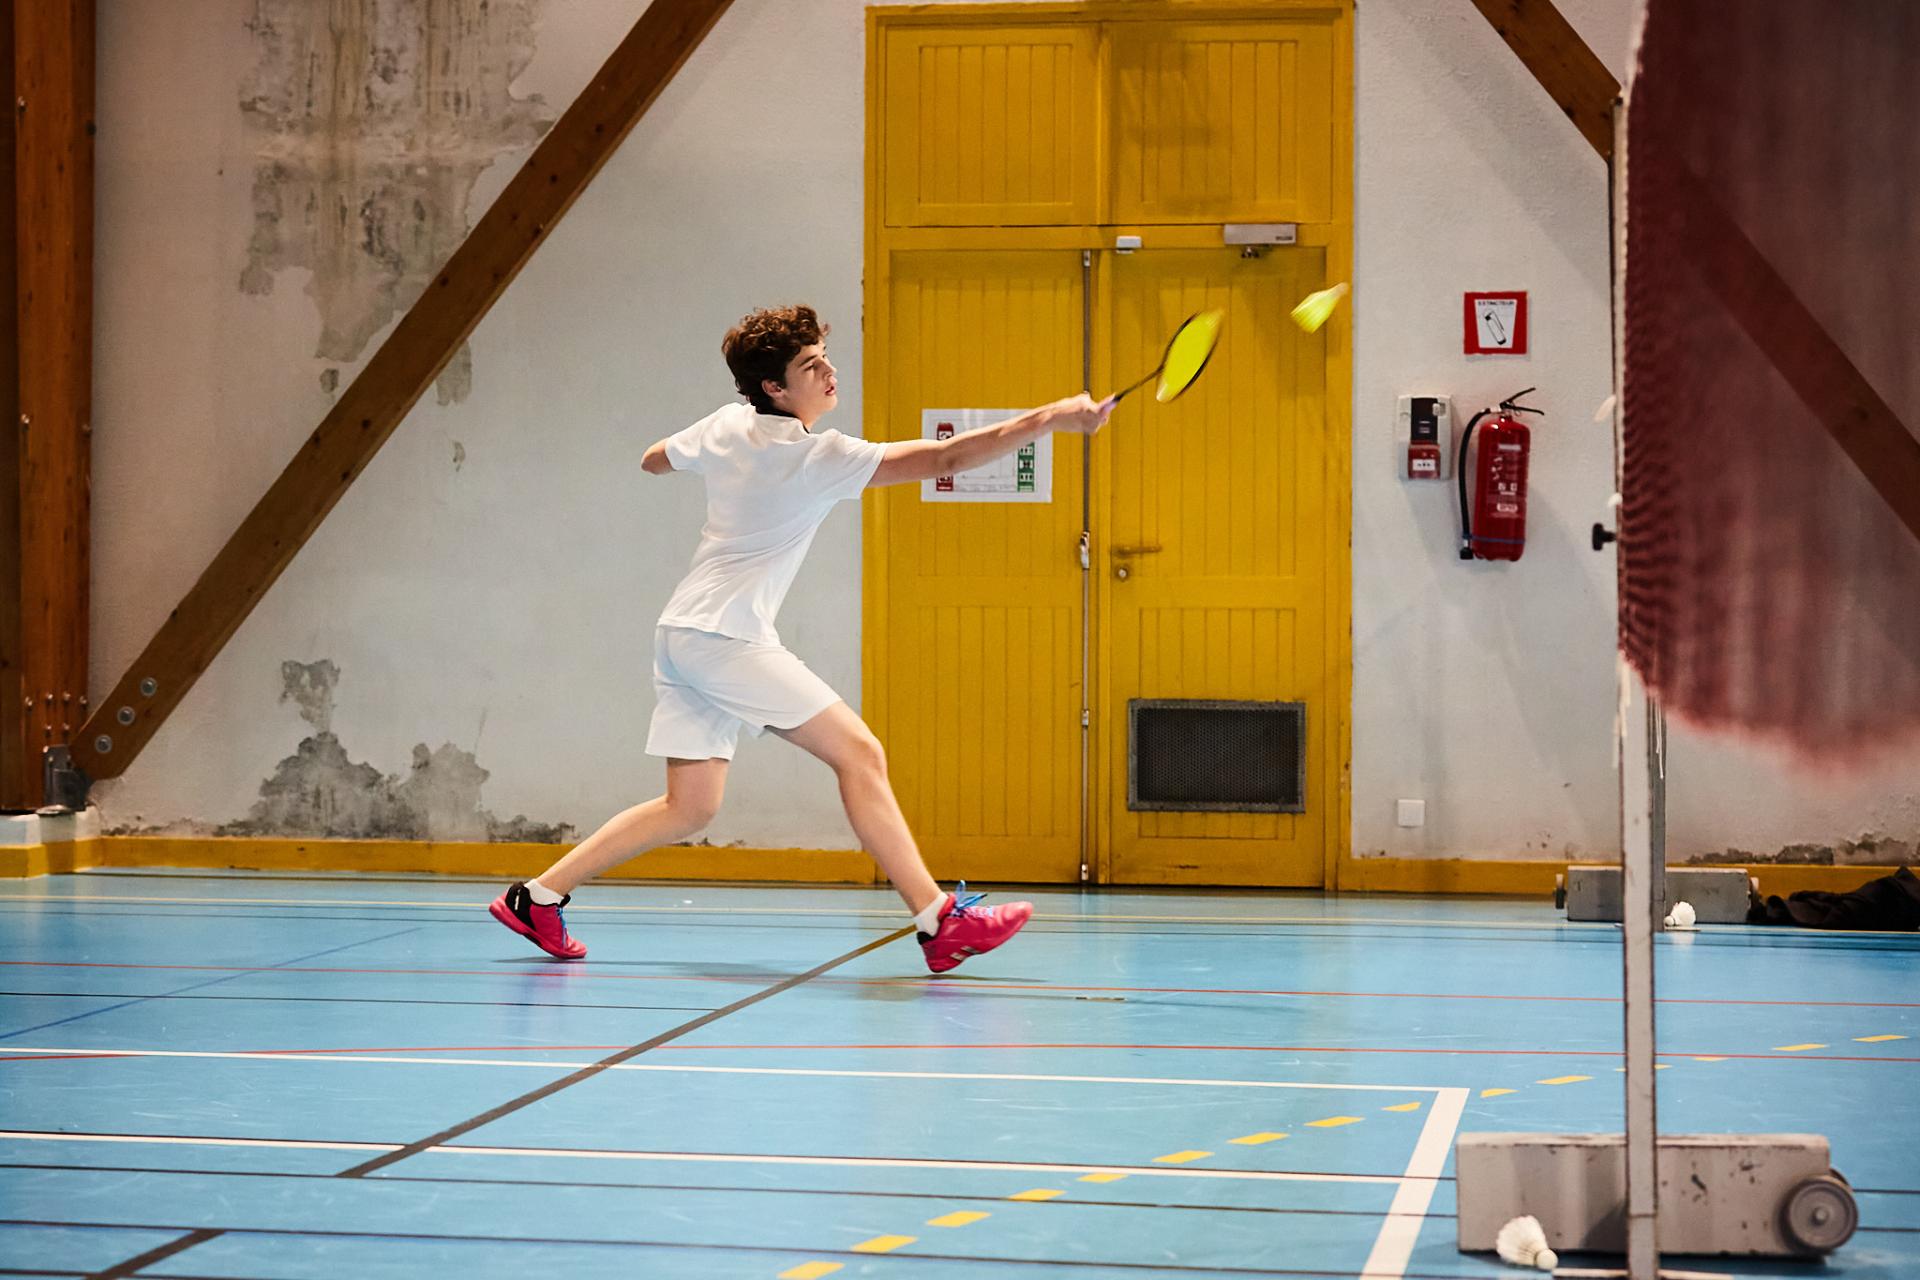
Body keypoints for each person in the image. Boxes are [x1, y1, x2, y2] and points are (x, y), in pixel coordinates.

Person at [491, 304, 1110, 971]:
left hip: (683, 632)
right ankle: (939, 922)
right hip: (725, 637)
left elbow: (652, 460)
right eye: (810, 366)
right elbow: (947, 457)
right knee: (861, 755)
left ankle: (537, 897)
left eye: (824, 357)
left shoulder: (728, 424)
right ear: (775, 388)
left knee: (688, 808)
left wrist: (717, 461)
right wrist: (1052, 417)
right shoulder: (817, 457)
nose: (828, 371)